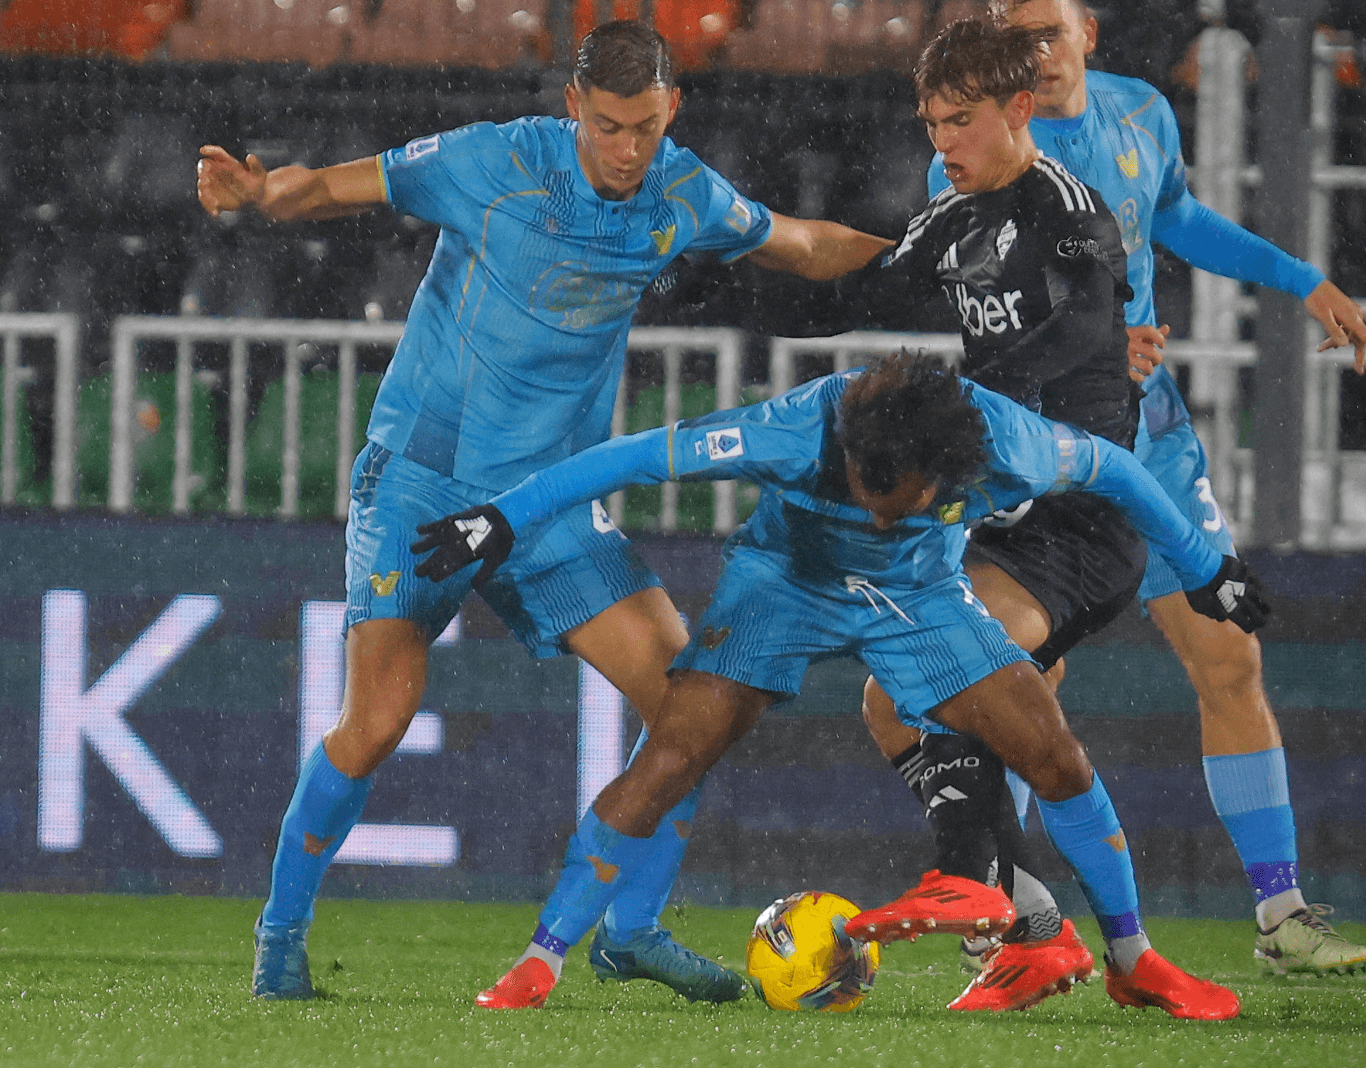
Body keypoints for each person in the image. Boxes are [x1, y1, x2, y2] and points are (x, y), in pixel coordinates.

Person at [194, 20, 894, 1002]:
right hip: (423, 479)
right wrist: (264, 193)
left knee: (691, 704)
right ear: (573, 107)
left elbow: (806, 245)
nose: (627, 150)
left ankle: (630, 931)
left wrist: (923, 256)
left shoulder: (684, 190)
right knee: (379, 719)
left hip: (550, 500)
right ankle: (280, 939)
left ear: (672, 110)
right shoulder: (495, 162)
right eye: (608, 126)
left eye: (644, 127)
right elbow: (333, 187)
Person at [417, 352, 1265, 1019]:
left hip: (919, 596)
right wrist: (500, 517)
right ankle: (541, 959)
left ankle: (1132, 959)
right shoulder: (792, 430)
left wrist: (1207, 567)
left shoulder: (1012, 444)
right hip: (784, 583)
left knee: (1057, 756)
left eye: (902, 502)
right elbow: (635, 456)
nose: (882, 515)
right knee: (673, 753)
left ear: (948, 472)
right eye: (870, 495)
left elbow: (1119, 469)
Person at [917, 0, 1366, 977]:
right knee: (1019, 683)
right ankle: (1001, 914)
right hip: (1043, 453)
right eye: (1014, 41)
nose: (1034, 55)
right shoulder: (976, 155)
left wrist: (1303, 280)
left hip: (1150, 443)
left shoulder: (1140, 114)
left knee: (1230, 658)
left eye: (1048, 33)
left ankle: (1282, 913)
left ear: (1087, 33)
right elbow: (984, 325)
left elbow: (1176, 217)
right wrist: (1084, 350)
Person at [763, 17, 1201, 1012]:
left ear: (1018, 110)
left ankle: (985, 890)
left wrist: (958, 400)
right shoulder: (954, 218)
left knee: (947, 665)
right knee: (896, 703)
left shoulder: (1071, 214)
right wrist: (752, 261)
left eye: (960, 120)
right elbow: (871, 283)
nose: (943, 142)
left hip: (1084, 521)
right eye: (931, 125)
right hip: (1008, 517)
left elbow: (1076, 336)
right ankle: (1045, 933)